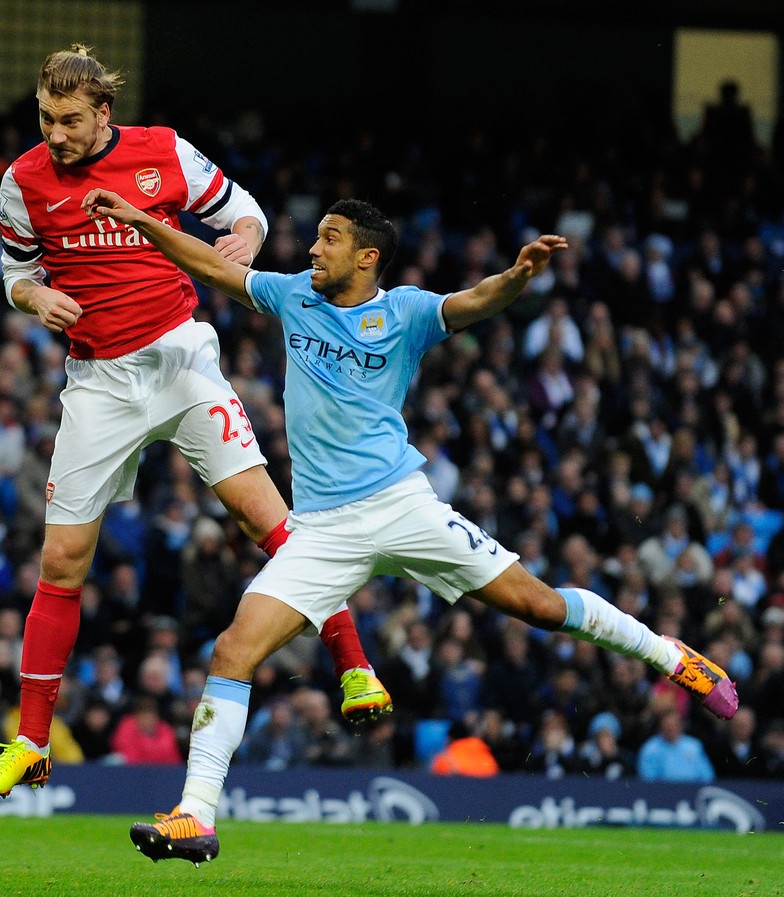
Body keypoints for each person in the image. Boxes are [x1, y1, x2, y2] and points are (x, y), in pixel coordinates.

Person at [81, 189, 739, 864]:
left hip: (403, 504)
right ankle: (196, 815)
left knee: (539, 605)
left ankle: (670, 655)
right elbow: (216, 268)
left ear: (367, 257)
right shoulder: (290, 295)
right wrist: (140, 222)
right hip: (321, 530)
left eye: (329, 239)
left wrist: (515, 278)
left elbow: (472, 302)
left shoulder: (405, 311)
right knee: (232, 652)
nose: (312, 248)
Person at [0, 44, 387, 798]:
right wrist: (37, 299)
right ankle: (31, 740)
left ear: (103, 113)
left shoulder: (164, 153)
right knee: (62, 559)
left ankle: (354, 664)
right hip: (98, 380)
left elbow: (246, 211)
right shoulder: (22, 181)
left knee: (268, 518)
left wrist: (247, 239)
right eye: (44, 118)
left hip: (179, 357)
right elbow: (16, 274)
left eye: (68, 120)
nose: (54, 134)